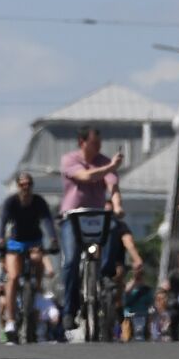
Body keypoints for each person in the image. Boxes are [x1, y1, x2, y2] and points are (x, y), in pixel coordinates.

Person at [58, 126, 123, 330]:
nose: (98, 146)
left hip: (97, 216)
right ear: (82, 142)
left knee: (114, 227)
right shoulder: (70, 160)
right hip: (73, 216)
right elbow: (86, 177)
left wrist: (118, 206)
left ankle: (105, 274)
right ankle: (69, 310)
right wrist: (111, 167)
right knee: (70, 261)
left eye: (99, 143)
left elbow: (112, 186)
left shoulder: (104, 162)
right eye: (94, 142)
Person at [0, 171, 58, 340]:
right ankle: (10, 320)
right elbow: (3, 221)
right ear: (18, 186)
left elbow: (47, 220)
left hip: (34, 241)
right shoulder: (11, 202)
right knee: (13, 277)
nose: (26, 187)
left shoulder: (38, 202)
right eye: (22, 184)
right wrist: (0, 239)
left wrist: (53, 239)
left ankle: (36, 287)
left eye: (29, 184)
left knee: (38, 259)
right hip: (15, 242)